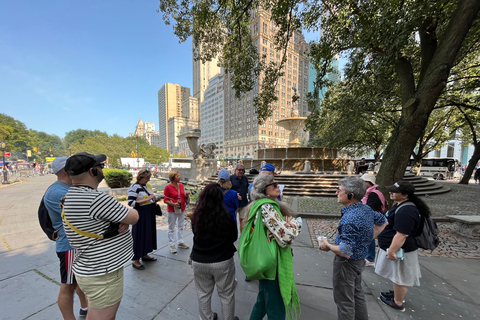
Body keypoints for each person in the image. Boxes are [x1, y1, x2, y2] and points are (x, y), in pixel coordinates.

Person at [63, 152, 139, 320]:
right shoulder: (96, 199)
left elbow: (96, 223)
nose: (102, 169)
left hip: (88, 266)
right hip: (103, 273)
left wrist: (119, 218)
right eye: (100, 166)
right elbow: (133, 217)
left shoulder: (70, 196)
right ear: (93, 172)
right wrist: (125, 215)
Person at [320, 177, 387, 320]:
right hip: (359, 261)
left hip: (346, 265)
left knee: (344, 301)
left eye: (339, 191)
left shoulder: (351, 218)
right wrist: (367, 238)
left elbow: (344, 251)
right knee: (357, 294)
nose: (336, 193)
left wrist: (328, 246)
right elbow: (383, 221)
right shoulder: (365, 208)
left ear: (350, 195)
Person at [240, 174, 302, 319]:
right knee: (276, 308)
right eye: (274, 185)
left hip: (264, 259)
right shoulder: (267, 207)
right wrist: (295, 223)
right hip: (273, 262)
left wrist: (284, 229)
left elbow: (280, 236)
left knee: (262, 302)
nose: (278, 187)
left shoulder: (257, 205)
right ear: (265, 190)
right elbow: (286, 236)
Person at [44, 156, 88, 319]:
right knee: (68, 285)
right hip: (69, 245)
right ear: (65, 170)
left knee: (78, 281)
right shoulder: (58, 191)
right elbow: (85, 214)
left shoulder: (67, 188)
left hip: (76, 244)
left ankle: (85, 308)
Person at [375, 180, 430, 312]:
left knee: (400, 277)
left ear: (405, 195)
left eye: (394, 191)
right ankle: (396, 294)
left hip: (401, 250)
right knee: (397, 274)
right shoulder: (403, 205)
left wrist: (392, 251)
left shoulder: (407, 210)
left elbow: (402, 234)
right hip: (398, 248)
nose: (390, 193)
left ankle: (397, 302)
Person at [191, 183, 239, 320]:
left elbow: (195, 234)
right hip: (222, 260)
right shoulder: (227, 217)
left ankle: (207, 317)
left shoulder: (196, 217)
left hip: (199, 260)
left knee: (203, 293)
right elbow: (233, 237)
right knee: (226, 294)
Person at [128, 169, 162, 270]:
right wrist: (147, 199)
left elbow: (149, 198)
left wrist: (155, 199)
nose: (148, 180)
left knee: (148, 234)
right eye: (147, 178)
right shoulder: (134, 187)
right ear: (141, 177)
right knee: (139, 235)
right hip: (140, 214)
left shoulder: (147, 186)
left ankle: (145, 254)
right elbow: (131, 203)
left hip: (149, 212)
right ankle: (135, 259)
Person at [360, 173, 386, 266]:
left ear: (369, 182)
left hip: (371, 218)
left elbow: (371, 209)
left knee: (370, 237)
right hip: (368, 217)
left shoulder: (374, 194)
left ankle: (370, 258)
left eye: (363, 182)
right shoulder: (370, 192)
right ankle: (368, 256)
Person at [164, 170, 190, 254]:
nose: (179, 177)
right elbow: (165, 200)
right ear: (173, 177)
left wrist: (186, 195)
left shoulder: (181, 185)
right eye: (177, 176)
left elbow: (182, 195)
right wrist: (173, 204)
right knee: (171, 227)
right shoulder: (168, 187)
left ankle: (180, 241)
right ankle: (171, 244)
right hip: (172, 209)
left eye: (179, 176)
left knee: (180, 225)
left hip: (181, 208)